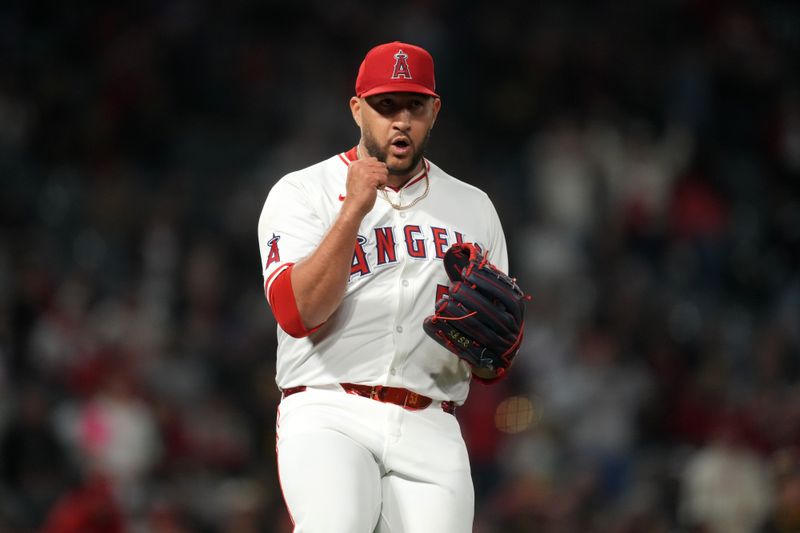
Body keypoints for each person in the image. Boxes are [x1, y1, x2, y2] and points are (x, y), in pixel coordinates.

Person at [257, 41, 513, 533]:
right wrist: (353, 208)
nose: (400, 121)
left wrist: (491, 351)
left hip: (430, 420)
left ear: (434, 111)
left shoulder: (474, 207)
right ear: (357, 109)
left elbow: (489, 361)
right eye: (385, 105)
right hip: (329, 408)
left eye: (414, 106)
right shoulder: (302, 192)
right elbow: (296, 313)